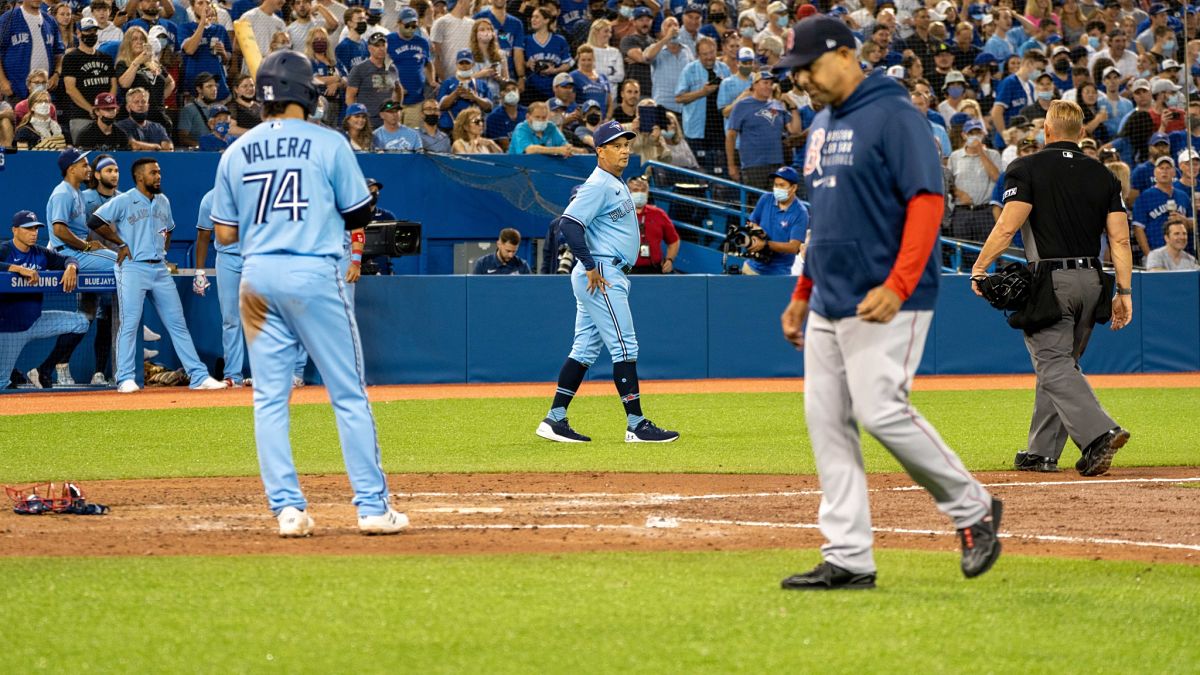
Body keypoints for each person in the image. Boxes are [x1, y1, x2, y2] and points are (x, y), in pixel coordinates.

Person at [778, 17, 1001, 591]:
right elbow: (822, 218)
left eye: (808, 66)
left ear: (847, 55)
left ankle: (971, 506)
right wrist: (803, 291)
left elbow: (927, 202)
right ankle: (849, 556)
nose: (801, 79)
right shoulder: (822, 123)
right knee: (826, 421)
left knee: (879, 408)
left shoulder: (895, 113)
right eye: (795, 71)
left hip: (886, 294)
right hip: (829, 295)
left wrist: (900, 283)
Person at [209, 49, 408, 537]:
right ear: (306, 93)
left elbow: (225, 235)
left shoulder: (235, 150)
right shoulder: (328, 141)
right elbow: (359, 214)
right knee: (347, 394)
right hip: (312, 272)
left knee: (269, 401)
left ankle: (288, 511)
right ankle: (372, 508)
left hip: (255, 279)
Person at [971, 100, 1133, 477]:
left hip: (1051, 280)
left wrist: (980, 266)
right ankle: (1040, 451)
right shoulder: (1104, 175)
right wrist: (1124, 292)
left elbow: (1008, 226)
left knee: (1053, 362)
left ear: (1046, 130)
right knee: (1061, 363)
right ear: (1081, 132)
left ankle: (1099, 434)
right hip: (1093, 280)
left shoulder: (1025, 167)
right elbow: (1120, 241)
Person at [535, 119, 679, 445]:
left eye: (626, 143)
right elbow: (568, 224)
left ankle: (555, 418)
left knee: (584, 350)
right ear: (600, 151)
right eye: (616, 145)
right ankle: (637, 424)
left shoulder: (615, 181)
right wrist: (588, 265)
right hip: (601, 273)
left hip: (606, 271)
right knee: (625, 346)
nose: (625, 149)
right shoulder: (599, 183)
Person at [85, 158, 226, 394]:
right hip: (132, 267)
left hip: (159, 269)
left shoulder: (163, 201)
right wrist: (120, 243)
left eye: (159, 172)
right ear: (140, 177)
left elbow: (168, 230)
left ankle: (198, 375)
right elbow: (95, 220)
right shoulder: (124, 199)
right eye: (153, 173)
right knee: (129, 323)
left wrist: (162, 251)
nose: (158, 176)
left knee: (177, 324)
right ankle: (125, 378)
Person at [0, 211, 89, 391]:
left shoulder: (40, 253)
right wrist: (17, 269)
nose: (34, 233)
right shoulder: (5, 250)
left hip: (36, 320)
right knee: (1, 384)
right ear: (15, 230)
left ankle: (44, 370)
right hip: (9, 331)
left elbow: (67, 259)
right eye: (28, 229)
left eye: (36, 229)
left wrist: (71, 267)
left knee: (81, 322)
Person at [725, 70, 797, 189]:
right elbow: (731, 136)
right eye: (765, 83)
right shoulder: (742, 105)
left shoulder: (778, 105)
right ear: (754, 85)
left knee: (777, 203)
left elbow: (794, 130)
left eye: (771, 83)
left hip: (777, 164)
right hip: (753, 166)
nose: (769, 86)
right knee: (755, 203)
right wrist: (731, 165)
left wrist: (793, 107)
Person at [674, 35, 729, 174]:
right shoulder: (689, 70)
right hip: (696, 132)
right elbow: (679, 97)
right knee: (698, 172)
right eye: (705, 54)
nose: (709, 57)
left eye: (712, 53)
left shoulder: (724, 69)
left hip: (720, 132)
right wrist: (702, 92)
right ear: (698, 55)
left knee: (719, 171)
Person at [741, 166, 806, 275]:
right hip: (751, 268)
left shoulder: (800, 213)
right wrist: (756, 232)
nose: (777, 189)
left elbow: (794, 247)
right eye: (775, 185)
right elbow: (751, 221)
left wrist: (766, 244)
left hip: (778, 274)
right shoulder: (766, 198)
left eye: (782, 185)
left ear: (793, 188)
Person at [0, 0, 66, 106]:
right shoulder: (8, 18)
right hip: (17, 89)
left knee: (44, 121)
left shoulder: (50, 21)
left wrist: (57, 74)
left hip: (45, 91)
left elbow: (58, 53)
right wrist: (2, 81)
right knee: (19, 121)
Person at [948, 118, 1002, 242]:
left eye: (978, 133)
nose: (975, 137)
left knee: (986, 252)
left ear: (983, 135)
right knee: (962, 252)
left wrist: (981, 153)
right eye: (971, 133)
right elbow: (949, 183)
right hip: (962, 212)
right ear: (964, 135)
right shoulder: (955, 156)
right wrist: (959, 193)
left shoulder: (993, 154)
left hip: (985, 212)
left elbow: (997, 177)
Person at [1132, 155, 1192, 257]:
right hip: (1155, 252)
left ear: (1174, 172)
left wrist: (1184, 220)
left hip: (1181, 254)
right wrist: (1148, 255)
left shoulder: (1183, 196)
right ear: (1155, 172)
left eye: (1168, 168)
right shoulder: (1145, 197)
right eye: (1161, 168)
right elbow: (1138, 229)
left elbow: (1194, 225)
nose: (1164, 171)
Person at [387, 6, 433, 127]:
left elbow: (428, 64)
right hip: (393, 102)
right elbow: (379, 68)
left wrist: (432, 80)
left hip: (416, 100)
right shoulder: (388, 40)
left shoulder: (422, 42)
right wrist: (394, 87)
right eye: (407, 25)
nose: (411, 29)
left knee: (412, 137)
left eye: (414, 26)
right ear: (399, 23)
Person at [346, 32, 402, 128]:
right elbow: (349, 97)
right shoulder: (359, 69)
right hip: (367, 121)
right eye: (376, 45)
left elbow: (398, 89)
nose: (381, 48)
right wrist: (357, 118)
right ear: (369, 48)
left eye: (383, 45)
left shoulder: (392, 68)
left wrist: (397, 109)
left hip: (387, 121)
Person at [627, 175, 679, 274]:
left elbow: (674, 241)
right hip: (628, 271)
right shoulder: (618, 216)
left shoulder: (659, 214)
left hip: (654, 269)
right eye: (635, 190)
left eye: (643, 190)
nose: (640, 193)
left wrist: (669, 260)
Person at [436, 48, 492, 130]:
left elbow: (489, 108)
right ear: (456, 64)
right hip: (451, 127)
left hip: (474, 128)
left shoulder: (481, 84)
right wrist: (455, 94)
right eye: (461, 63)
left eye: (467, 63)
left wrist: (475, 98)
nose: (464, 66)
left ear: (472, 64)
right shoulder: (447, 83)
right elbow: (441, 106)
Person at [508, 99, 575, 155]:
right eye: (537, 117)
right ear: (528, 117)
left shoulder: (551, 127)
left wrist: (568, 148)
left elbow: (564, 144)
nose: (541, 120)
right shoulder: (520, 128)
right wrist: (557, 150)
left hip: (543, 168)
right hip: (517, 167)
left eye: (544, 117)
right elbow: (530, 150)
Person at [177, 72, 219, 146]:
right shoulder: (189, 110)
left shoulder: (219, 109)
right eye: (209, 86)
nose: (214, 89)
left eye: (215, 86)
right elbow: (183, 138)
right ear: (199, 89)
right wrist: (201, 146)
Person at [484, 78, 525, 148]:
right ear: (501, 94)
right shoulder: (493, 118)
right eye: (507, 90)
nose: (511, 93)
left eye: (514, 89)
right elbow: (503, 144)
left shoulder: (527, 113)